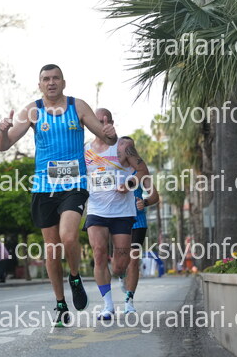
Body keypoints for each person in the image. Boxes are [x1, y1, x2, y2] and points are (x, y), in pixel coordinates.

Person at [0, 64, 117, 327]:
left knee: (68, 236)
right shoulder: (33, 111)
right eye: (46, 79)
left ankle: (74, 276)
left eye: (55, 78)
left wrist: (111, 134)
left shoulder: (78, 106)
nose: (51, 82)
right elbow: (4, 145)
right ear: (39, 84)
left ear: (63, 82)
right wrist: (3, 130)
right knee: (51, 249)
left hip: (75, 185)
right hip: (43, 188)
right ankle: (61, 304)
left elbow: (107, 139)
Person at [83, 109, 154, 320]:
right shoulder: (84, 149)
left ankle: (122, 276)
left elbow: (143, 171)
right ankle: (108, 306)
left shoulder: (123, 147)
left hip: (122, 213)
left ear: (112, 122)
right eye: (97, 121)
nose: (102, 124)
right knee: (98, 253)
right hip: (96, 210)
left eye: (106, 120)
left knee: (120, 265)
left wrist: (129, 184)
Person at [116, 135, 159, 314]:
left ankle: (129, 301)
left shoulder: (141, 173)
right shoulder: (114, 170)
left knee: (134, 260)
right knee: (120, 263)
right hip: (118, 220)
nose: (127, 152)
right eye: (123, 147)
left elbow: (155, 196)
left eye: (130, 148)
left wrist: (145, 202)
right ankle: (121, 274)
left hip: (138, 221)